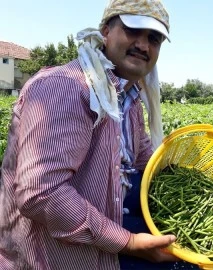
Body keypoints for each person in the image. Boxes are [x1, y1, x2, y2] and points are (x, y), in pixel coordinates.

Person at [0, 0, 197, 269]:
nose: (143, 45)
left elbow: (143, 161)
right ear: (105, 31)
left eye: (154, 38)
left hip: (112, 215)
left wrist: (190, 185)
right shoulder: (65, 89)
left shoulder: (128, 97)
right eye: (132, 31)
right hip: (56, 253)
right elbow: (42, 194)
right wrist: (129, 243)